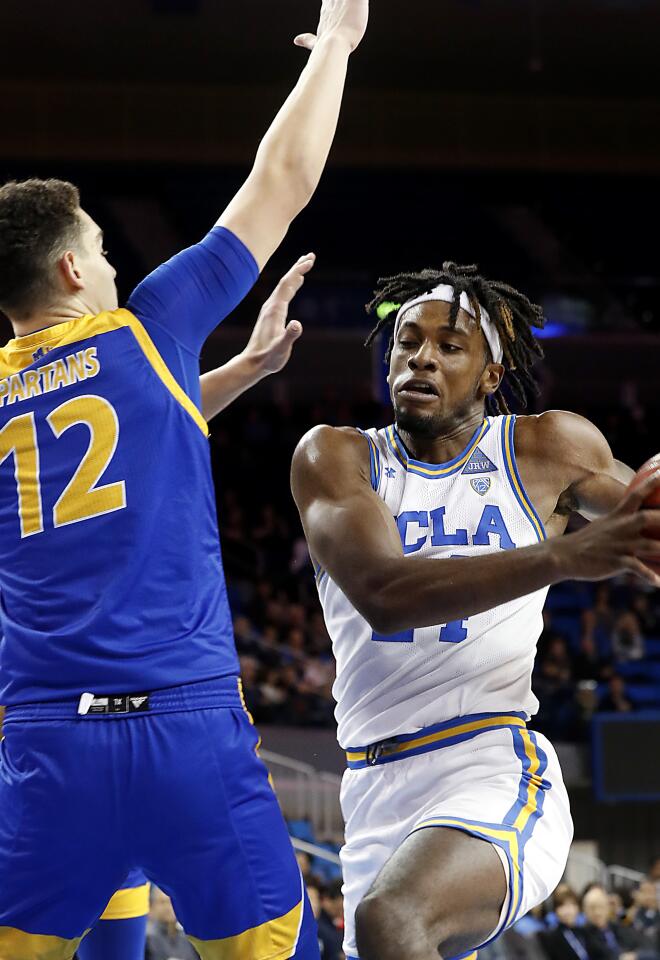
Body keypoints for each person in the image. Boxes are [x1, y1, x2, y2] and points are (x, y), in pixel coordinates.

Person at [0, 3, 369, 959]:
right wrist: (334, 45)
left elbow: (91, 451)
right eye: (109, 255)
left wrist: (238, 376)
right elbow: (279, 181)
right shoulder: (148, 326)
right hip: (184, 725)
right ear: (76, 267)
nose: (123, 269)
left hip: (47, 743)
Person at [290, 261, 660, 960]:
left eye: (450, 346)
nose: (421, 357)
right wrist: (562, 559)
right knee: (387, 924)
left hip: (489, 763)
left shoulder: (546, 448)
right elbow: (384, 595)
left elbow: (641, 522)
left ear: (491, 376)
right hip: (371, 787)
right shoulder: (335, 456)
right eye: (407, 342)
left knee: (393, 920)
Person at [71, 255, 320, 960]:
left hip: (81, 734)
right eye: (96, 248)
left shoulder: (54, 406)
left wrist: (246, 369)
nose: (110, 261)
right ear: (66, 268)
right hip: (94, 722)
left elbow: (141, 429)